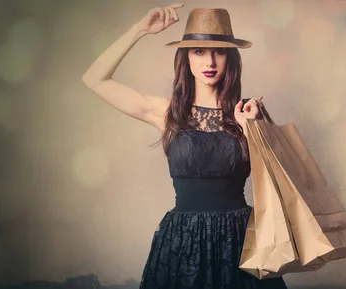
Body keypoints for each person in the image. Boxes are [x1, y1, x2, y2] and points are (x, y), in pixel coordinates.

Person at [82, 4, 288, 289]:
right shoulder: (167, 113)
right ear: (186, 58)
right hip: (182, 241)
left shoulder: (248, 112)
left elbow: (279, 187)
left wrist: (251, 127)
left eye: (219, 51)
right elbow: (95, 79)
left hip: (241, 240)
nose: (210, 62)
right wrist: (139, 30)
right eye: (199, 51)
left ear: (230, 59)